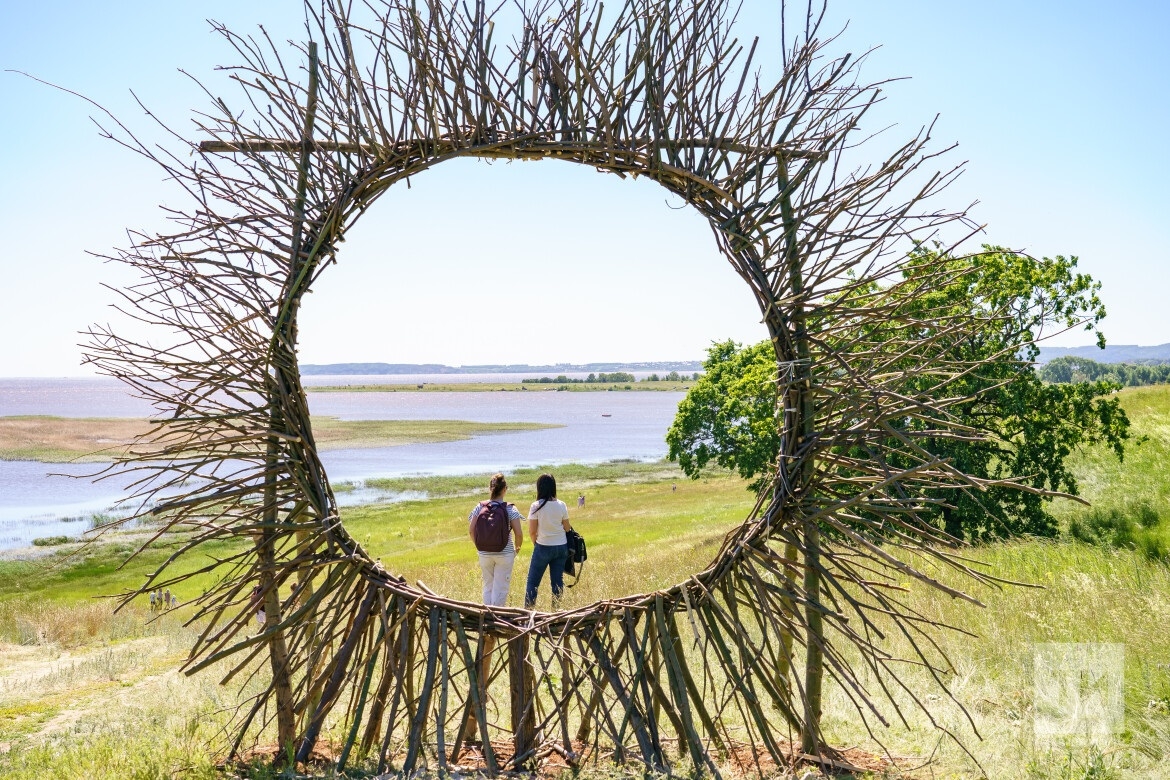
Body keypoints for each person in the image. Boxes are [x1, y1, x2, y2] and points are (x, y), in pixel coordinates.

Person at [469, 473, 524, 607]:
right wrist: (517, 549)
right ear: (504, 489)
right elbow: (519, 534)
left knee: (488, 586)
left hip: (483, 553)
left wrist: (480, 546)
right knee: (501, 587)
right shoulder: (510, 508)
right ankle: (497, 619)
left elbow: (471, 530)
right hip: (505, 553)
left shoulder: (479, 507)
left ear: (490, 489)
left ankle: (487, 618)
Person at [525, 474, 573, 610]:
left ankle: (528, 613)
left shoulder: (536, 506)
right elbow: (567, 527)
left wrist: (536, 544)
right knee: (557, 582)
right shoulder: (561, 505)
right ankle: (556, 612)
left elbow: (532, 531)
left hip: (543, 546)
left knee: (533, 582)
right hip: (561, 547)